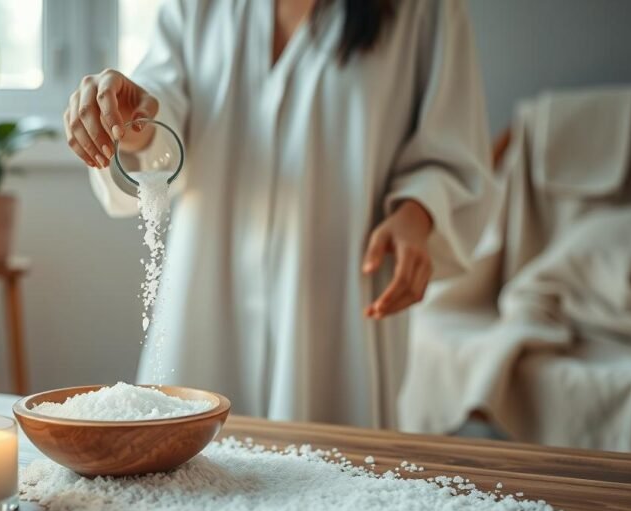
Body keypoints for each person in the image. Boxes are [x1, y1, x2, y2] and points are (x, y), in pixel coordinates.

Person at [65, 0, 492, 428]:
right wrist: (129, 123)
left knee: (332, 476)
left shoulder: (424, 11)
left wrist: (416, 214)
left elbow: (452, 151)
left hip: (339, 306)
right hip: (205, 298)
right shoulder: (195, 7)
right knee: (183, 470)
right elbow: (160, 116)